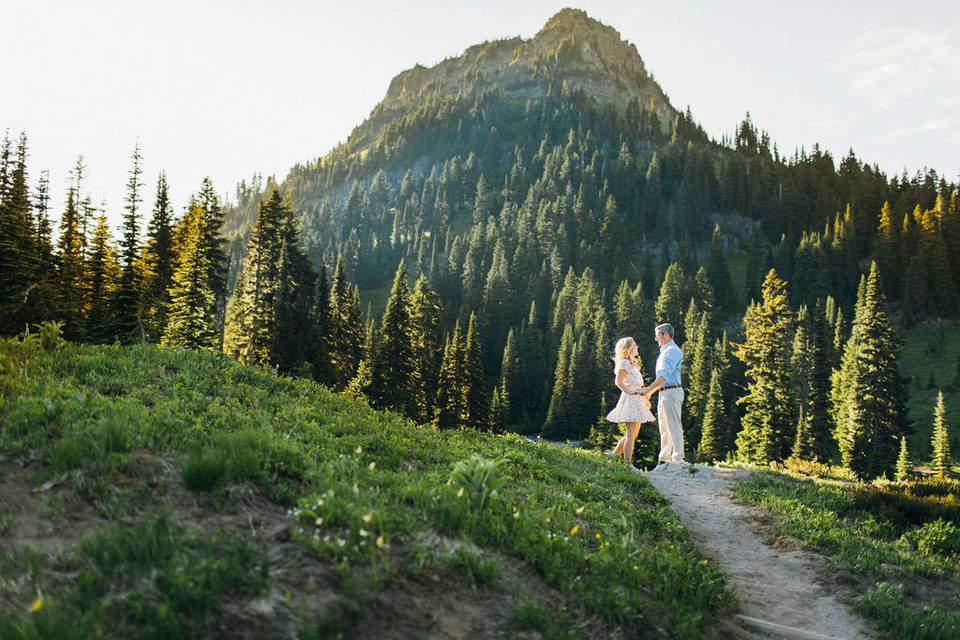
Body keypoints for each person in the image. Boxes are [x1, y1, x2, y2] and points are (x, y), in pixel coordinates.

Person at [637, 323, 685, 467]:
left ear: (666, 335)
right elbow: (662, 379)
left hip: (671, 391)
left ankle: (678, 458)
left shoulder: (672, 351)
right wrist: (650, 392)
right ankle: (664, 459)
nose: (656, 338)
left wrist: (648, 390)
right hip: (665, 392)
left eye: (658, 335)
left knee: (673, 424)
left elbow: (664, 376)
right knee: (665, 427)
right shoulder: (665, 351)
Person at [605, 337, 655, 470]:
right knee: (630, 434)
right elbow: (618, 381)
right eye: (635, 345)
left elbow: (638, 386)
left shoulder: (633, 364)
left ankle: (613, 457)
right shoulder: (625, 363)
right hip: (630, 400)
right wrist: (629, 392)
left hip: (637, 400)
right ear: (629, 348)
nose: (637, 347)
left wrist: (645, 400)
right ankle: (627, 464)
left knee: (634, 434)